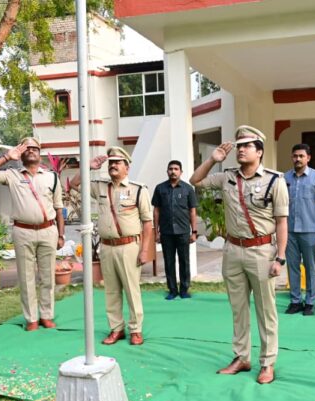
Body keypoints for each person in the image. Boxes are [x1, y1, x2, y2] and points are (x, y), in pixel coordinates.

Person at [190, 125, 288, 384]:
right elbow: (195, 181)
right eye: (239, 146)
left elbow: (281, 222)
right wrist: (213, 160)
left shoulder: (275, 181)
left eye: (247, 146)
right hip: (233, 251)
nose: (241, 150)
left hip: (262, 251)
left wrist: (280, 258)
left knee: (266, 311)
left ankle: (267, 362)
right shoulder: (227, 177)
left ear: (260, 151)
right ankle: (242, 357)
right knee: (238, 309)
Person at [0, 137, 65, 331]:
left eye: (35, 148)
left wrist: (61, 235)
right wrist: (6, 157)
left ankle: (47, 315)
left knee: (48, 277)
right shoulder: (11, 175)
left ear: (40, 153)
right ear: (21, 153)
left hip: (48, 231)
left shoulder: (51, 177)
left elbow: (59, 208)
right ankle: (31, 318)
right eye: (27, 149)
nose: (31, 151)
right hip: (23, 231)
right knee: (26, 278)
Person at [79, 146, 153, 346]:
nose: (112, 165)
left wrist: (145, 250)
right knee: (111, 290)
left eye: (117, 162)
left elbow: (148, 223)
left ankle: (135, 329)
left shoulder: (138, 190)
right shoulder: (100, 186)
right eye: (111, 162)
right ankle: (116, 329)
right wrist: (88, 167)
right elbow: (75, 184)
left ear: (127, 167)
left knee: (131, 290)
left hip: (129, 246)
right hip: (106, 247)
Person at [283, 143, 315, 316]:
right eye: (295, 156)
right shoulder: (284, 178)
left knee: (310, 267)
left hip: (310, 229)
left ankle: (310, 302)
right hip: (289, 230)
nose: (298, 159)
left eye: (301, 156)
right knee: (292, 266)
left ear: (308, 158)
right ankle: (295, 301)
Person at [152, 160, 198, 300]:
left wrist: (194, 232)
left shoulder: (188, 189)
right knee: (169, 262)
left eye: (176, 169)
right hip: (166, 232)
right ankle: (172, 290)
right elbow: (156, 211)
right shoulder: (160, 188)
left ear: (181, 172)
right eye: (170, 169)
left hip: (183, 231)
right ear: (167, 171)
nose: (173, 171)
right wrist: (156, 232)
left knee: (184, 261)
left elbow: (192, 211)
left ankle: (184, 290)